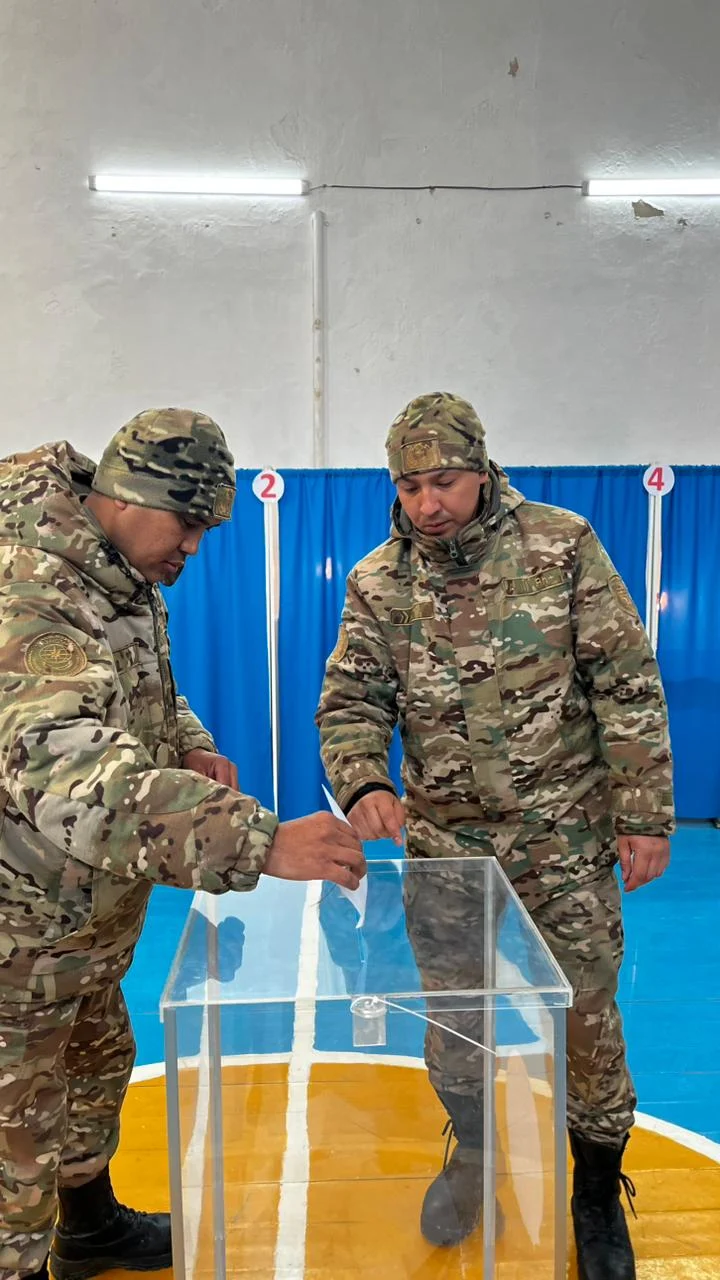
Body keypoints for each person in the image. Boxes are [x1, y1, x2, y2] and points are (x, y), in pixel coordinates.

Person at [0, 408, 365, 1280]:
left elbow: (133, 691)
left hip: (80, 920)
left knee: (93, 1066)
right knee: (15, 1133)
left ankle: (89, 1229)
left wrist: (186, 739)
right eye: (189, 523)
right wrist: (258, 841)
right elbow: (63, 764)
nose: (196, 547)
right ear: (128, 496)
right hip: (19, 931)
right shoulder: (31, 586)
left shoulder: (114, 566)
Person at [316, 392, 673, 1280]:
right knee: (457, 1018)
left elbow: (625, 681)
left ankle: (597, 1191)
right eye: (410, 487)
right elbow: (352, 699)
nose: (427, 503)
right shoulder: (378, 581)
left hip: (565, 841)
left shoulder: (562, 545)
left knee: (586, 1016)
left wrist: (644, 814)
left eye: (443, 482)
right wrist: (363, 780)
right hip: (447, 850)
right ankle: (474, 1155)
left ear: (481, 471)